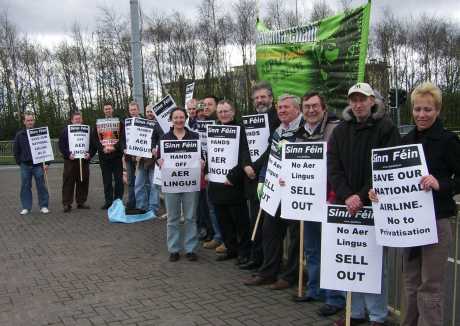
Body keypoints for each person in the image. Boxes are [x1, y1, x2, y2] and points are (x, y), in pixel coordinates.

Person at [369, 82, 460, 326]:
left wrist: (440, 183)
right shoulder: (405, 139)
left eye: (427, 110)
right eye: (418, 109)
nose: (421, 114)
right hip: (408, 225)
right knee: (410, 284)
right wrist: (380, 194)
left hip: (436, 222)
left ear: (437, 110)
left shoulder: (448, 140)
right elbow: (395, 178)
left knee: (430, 287)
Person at [328, 83, 400, 325]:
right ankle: (355, 313)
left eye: (363, 99)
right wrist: (348, 195)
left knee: (375, 265)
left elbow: (384, 167)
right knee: (351, 260)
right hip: (346, 206)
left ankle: (378, 317)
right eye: (354, 100)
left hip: (373, 206)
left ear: (372, 101)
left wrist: (359, 195)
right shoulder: (340, 131)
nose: (358, 104)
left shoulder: (386, 128)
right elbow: (334, 167)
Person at [287, 92, 345, 315]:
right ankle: (314, 289)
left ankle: (335, 298)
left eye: (314, 106)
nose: (311, 110)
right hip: (308, 202)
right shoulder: (300, 133)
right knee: (312, 249)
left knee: (330, 250)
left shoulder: (335, 129)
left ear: (324, 107)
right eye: (307, 106)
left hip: (330, 200)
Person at [244, 94, 302, 290]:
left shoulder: (304, 130)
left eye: (286, 107)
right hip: (275, 189)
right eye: (280, 108)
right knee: (269, 230)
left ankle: (289, 276)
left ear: (297, 109)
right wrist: (262, 180)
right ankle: (268, 271)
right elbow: (270, 158)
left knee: (295, 236)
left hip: (295, 191)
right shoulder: (278, 130)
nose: (282, 111)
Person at [239, 81, 280, 271]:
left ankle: (267, 263)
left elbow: (273, 147)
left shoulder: (277, 119)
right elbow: (244, 145)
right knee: (254, 218)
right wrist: (246, 164)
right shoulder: (249, 119)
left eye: (263, 96)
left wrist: (255, 165)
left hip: (269, 176)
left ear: (271, 98)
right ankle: (256, 258)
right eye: (256, 98)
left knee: (267, 224)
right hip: (251, 177)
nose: (260, 100)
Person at [207, 100, 252, 263]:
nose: (223, 114)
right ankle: (231, 249)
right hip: (216, 184)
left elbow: (244, 155)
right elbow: (210, 153)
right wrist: (207, 172)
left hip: (234, 184)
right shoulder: (213, 130)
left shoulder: (241, 130)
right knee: (223, 220)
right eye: (220, 111)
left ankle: (245, 251)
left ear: (233, 112)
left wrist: (232, 176)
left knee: (240, 221)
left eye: (226, 111)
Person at [159, 107, 201, 262]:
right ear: (171, 119)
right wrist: (159, 161)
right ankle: (174, 249)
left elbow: (200, 156)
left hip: (190, 183)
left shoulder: (194, 136)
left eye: (181, 117)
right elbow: (159, 158)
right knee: (172, 217)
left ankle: (190, 249)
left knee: (190, 217)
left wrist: (202, 162)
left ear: (185, 119)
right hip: (172, 183)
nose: (179, 120)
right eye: (175, 117)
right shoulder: (165, 138)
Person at [13, 112, 50, 215]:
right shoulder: (20, 135)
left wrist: (47, 163)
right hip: (25, 165)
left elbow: (46, 148)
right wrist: (20, 162)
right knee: (25, 186)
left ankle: (43, 206)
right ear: (24, 122)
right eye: (28, 120)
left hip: (38, 165)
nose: (30, 122)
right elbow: (16, 150)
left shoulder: (41, 133)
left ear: (34, 121)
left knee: (41, 186)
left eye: (31, 120)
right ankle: (26, 207)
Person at [59, 111, 96, 213]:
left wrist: (90, 154)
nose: (78, 121)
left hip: (84, 160)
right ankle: (67, 203)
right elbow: (61, 145)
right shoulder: (65, 131)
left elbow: (93, 145)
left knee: (83, 181)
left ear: (82, 120)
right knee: (68, 182)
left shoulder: (88, 131)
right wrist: (68, 154)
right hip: (70, 161)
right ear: (72, 120)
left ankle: (81, 202)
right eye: (76, 119)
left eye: (79, 119)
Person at [92, 102, 124, 209]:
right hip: (104, 156)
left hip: (116, 155)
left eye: (109, 109)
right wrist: (102, 148)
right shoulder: (98, 124)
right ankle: (108, 201)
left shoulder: (119, 123)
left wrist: (115, 147)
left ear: (112, 109)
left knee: (119, 179)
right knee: (107, 180)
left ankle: (118, 201)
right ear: (103, 110)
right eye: (106, 109)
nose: (108, 111)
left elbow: (123, 138)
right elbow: (95, 139)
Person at [134, 104, 163, 215]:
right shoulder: (141, 124)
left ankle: (153, 209)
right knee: (139, 183)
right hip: (142, 160)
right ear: (145, 112)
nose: (150, 114)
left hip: (154, 161)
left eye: (151, 112)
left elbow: (162, 137)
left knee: (154, 185)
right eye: (148, 112)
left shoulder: (159, 125)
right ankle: (141, 206)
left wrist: (156, 148)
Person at [123, 102, 141, 209]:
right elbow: (122, 139)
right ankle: (131, 202)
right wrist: (123, 148)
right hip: (129, 157)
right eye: (131, 110)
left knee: (141, 182)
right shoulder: (125, 123)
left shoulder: (145, 122)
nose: (133, 112)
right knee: (130, 181)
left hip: (141, 158)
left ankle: (141, 202)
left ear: (138, 110)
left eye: (134, 109)